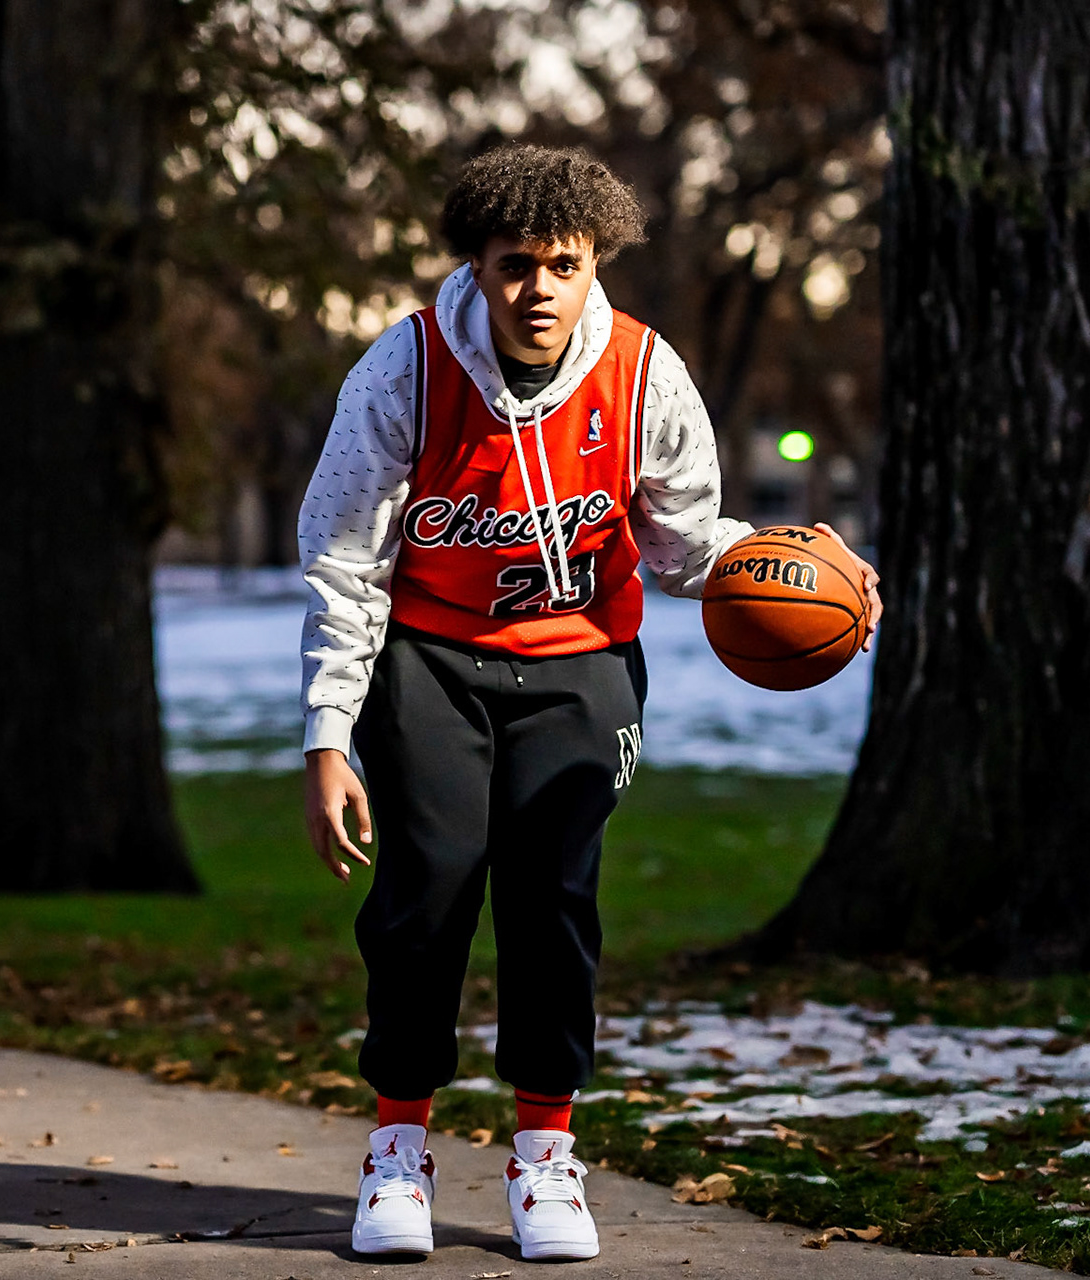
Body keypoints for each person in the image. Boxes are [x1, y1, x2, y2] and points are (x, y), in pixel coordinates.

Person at [297, 143, 880, 1261]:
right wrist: (329, 734)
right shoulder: (404, 369)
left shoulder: (645, 372)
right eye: (516, 263)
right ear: (476, 263)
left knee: (553, 896)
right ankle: (398, 1149)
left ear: (594, 260)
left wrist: (806, 566)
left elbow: (681, 545)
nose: (541, 289)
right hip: (431, 656)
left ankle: (546, 1157)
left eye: (564, 263)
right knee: (425, 889)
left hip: (580, 661)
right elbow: (342, 560)